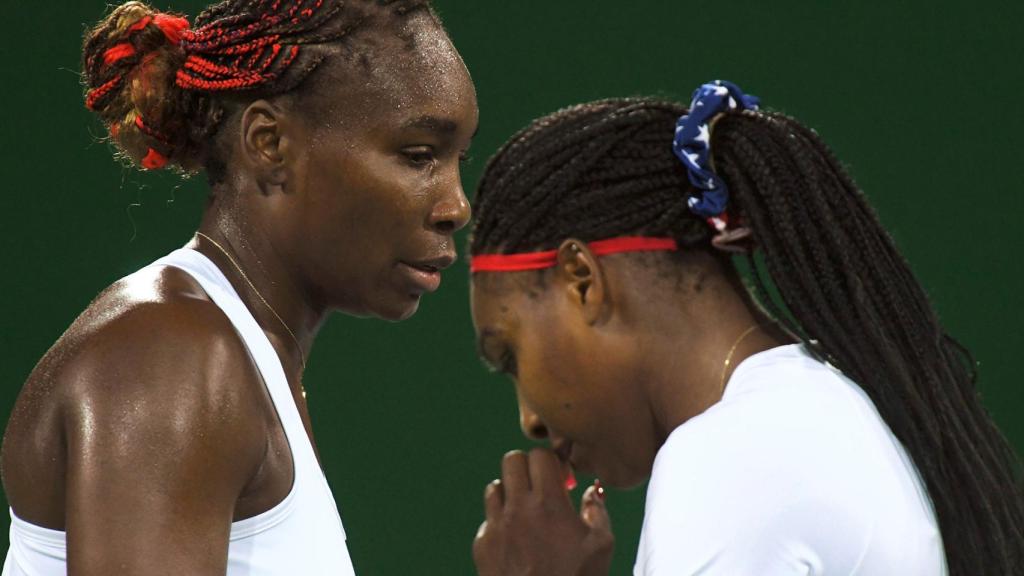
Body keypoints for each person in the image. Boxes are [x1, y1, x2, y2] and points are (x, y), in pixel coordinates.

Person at [467, 82, 1024, 575]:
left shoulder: (730, 462)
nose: (530, 419)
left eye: (510, 354)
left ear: (583, 280)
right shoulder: (818, 407)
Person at [1, 0, 477, 574]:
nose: (456, 205)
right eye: (419, 155)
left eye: (458, 160)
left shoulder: (240, 359)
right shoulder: (172, 358)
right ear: (269, 144)